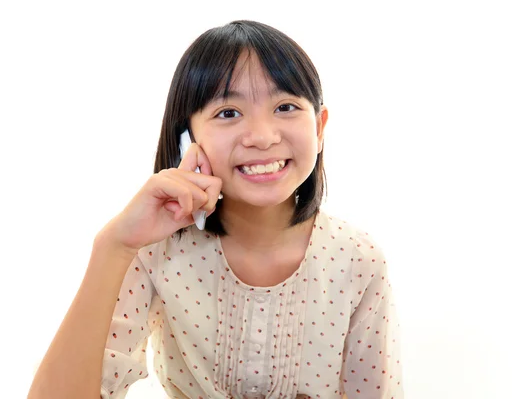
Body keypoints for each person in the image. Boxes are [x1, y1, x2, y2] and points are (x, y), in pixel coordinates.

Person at [28, 20, 403, 399]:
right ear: (187, 137)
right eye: (228, 112)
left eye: (285, 106)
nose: (262, 136)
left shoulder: (357, 260)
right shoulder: (157, 251)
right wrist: (114, 244)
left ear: (319, 128)